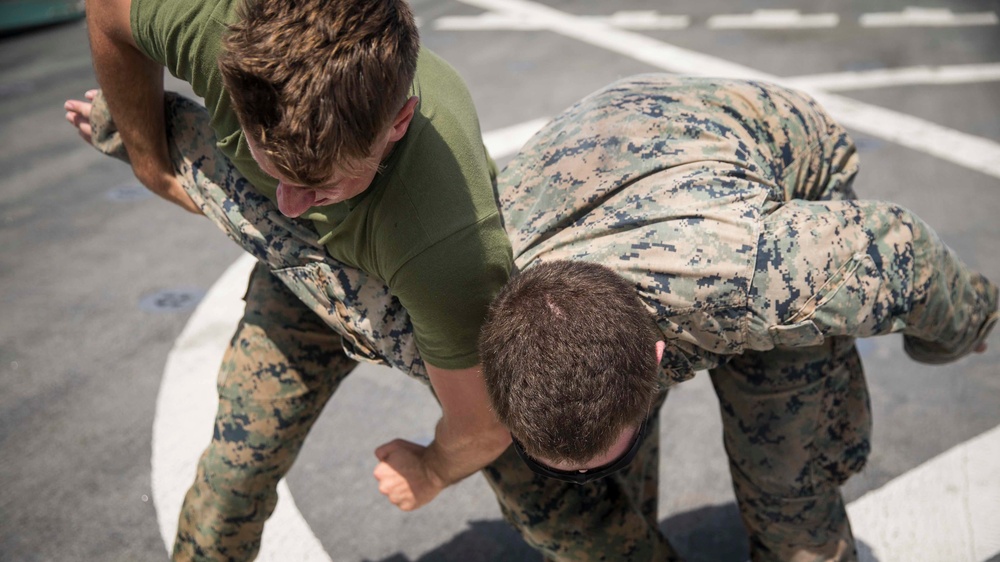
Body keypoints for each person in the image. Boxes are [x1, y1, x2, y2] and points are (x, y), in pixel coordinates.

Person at [476, 74, 997, 561]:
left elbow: (902, 251)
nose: (590, 474)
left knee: (789, 484)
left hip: (765, 152)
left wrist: (962, 329)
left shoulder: (765, 277)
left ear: (659, 361)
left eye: (610, 458)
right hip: (591, 162)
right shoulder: (454, 308)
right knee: (559, 511)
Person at [65, 0, 513, 559]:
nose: (290, 205)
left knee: (564, 492)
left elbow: (482, 425)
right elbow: (109, 10)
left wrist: (431, 468)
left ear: (399, 123)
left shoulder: (445, 241)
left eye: (321, 185)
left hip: (416, 283)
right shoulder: (217, 30)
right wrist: (149, 161)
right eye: (273, 169)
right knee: (233, 480)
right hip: (301, 281)